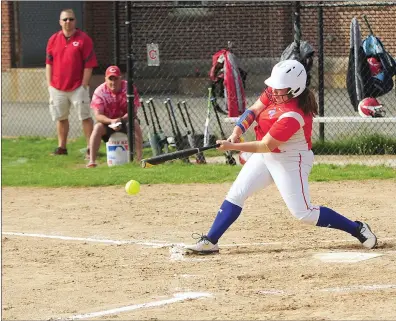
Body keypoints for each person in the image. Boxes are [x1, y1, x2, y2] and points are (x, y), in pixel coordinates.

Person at [185, 59, 377, 254]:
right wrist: (235, 132)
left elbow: (266, 144)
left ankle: (357, 228)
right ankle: (211, 240)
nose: (274, 91)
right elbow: (253, 110)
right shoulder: (277, 92)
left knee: (303, 213)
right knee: (237, 193)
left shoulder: (294, 114)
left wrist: (232, 146)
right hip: (267, 156)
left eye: (279, 89)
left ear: (294, 89)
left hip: (291, 160)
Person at [46, 8, 97, 156]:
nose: (68, 22)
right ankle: (62, 148)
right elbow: (49, 64)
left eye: (71, 19)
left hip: (77, 87)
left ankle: (90, 148)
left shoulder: (84, 39)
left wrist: (84, 85)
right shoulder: (53, 40)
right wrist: (50, 85)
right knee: (61, 118)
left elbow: (89, 65)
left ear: (75, 21)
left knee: (85, 117)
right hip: (57, 87)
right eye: (65, 19)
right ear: (60, 22)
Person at [86, 65, 143, 168]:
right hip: (108, 123)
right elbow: (98, 115)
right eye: (110, 79)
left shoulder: (129, 89)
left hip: (126, 121)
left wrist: (120, 120)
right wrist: (111, 121)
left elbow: (133, 111)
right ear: (105, 79)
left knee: (135, 124)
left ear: (120, 78)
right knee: (97, 128)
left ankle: (139, 159)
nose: (113, 82)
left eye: (116, 78)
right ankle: (92, 161)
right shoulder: (99, 92)